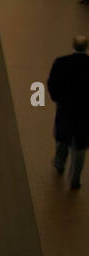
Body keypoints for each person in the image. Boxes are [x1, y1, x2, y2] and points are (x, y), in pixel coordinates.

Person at [49, 36, 89, 190]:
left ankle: (59, 163)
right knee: (80, 146)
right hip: (85, 113)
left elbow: (52, 84)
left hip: (65, 109)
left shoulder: (61, 62)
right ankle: (75, 179)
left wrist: (57, 98)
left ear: (73, 46)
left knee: (62, 138)